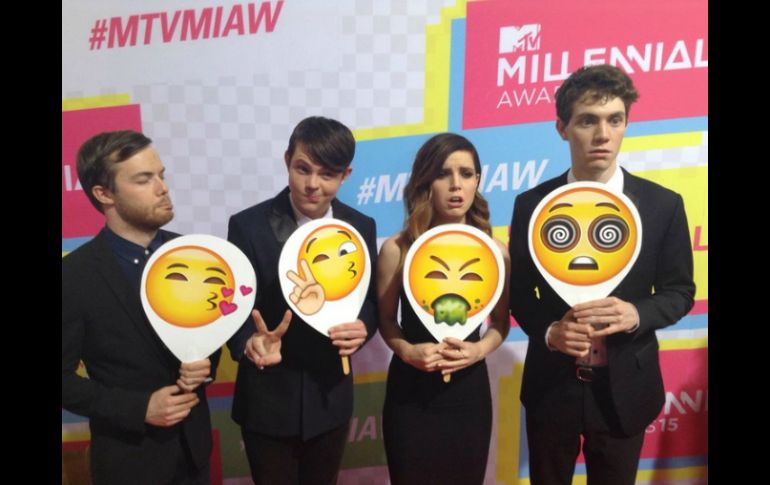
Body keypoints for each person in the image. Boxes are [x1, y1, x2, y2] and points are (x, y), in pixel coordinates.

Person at [507, 64, 696, 485]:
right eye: (587, 121)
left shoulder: (662, 205)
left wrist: (637, 313)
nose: (603, 134)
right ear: (562, 127)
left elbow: (680, 291)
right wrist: (550, 330)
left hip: (625, 390)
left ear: (627, 123)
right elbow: (519, 293)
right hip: (551, 388)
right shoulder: (532, 205)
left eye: (615, 120)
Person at [226, 116, 379, 485]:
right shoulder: (248, 226)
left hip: (330, 398)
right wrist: (249, 342)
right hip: (268, 399)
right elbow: (233, 309)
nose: (312, 185)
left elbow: (368, 301)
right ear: (286, 161)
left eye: (327, 174)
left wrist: (363, 328)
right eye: (303, 169)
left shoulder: (360, 226)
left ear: (346, 175)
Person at [62, 130, 218, 485]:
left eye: (161, 175)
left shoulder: (194, 255)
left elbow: (208, 335)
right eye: (144, 179)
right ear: (104, 194)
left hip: (195, 454)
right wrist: (139, 408)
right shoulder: (74, 276)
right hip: (128, 462)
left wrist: (205, 367)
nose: (163, 188)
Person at [377, 133, 511, 485]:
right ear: (425, 181)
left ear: (478, 181)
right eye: (443, 173)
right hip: (411, 395)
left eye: (466, 174)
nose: (456, 185)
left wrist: (477, 350)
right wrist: (407, 350)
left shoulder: (495, 252)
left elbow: (500, 324)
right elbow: (387, 321)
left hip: (468, 393)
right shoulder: (398, 248)